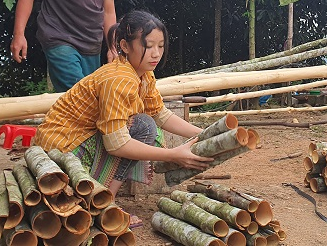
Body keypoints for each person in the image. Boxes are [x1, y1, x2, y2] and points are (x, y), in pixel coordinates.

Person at [35, 10, 213, 198]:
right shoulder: (119, 79)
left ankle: (104, 199)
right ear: (125, 46)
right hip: (60, 150)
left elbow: (160, 114)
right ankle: (103, 202)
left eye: (160, 46)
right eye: (148, 45)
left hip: (72, 142)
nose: (156, 53)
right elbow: (116, 144)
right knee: (143, 126)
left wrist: (205, 134)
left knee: (144, 123)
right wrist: (173, 154)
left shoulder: (143, 73)